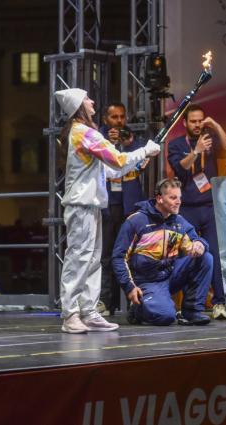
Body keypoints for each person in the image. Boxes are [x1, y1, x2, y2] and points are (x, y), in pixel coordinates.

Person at [55, 87, 160, 334]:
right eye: (87, 99)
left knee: (92, 260)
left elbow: (112, 170)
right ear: (79, 106)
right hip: (81, 205)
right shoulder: (84, 133)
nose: (92, 101)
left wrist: (139, 158)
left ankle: (89, 312)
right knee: (79, 259)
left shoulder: (82, 132)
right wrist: (144, 150)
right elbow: (118, 160)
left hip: (90, 205)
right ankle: (70, 314)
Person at [111, 178, 213, 326]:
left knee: (205, 258)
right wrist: (129, 287)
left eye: (179, 198)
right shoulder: (136, 221)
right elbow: (118, 258)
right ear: (159, 198)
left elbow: (196, 239)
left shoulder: (179, 221)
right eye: (173, 198)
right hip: (147, 282)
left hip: (170, 276)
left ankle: (192, 312)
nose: (178, 202)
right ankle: (137, 310)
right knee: (165, 317)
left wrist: (199, 244)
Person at [166, 104, 226, 320]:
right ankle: (187, 304)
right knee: (187, 255)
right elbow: (181, 168)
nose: (197, 124)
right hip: (187, 208)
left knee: (215, 254)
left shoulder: (210, 139)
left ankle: (219, 302)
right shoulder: (176, 144)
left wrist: (216, 125)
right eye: (193, 121)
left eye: (200, 120)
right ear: (185, 123)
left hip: (209, 206)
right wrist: (196, 151)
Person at [98, 102, 146, 316]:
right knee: (106, 255)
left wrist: (129, 144)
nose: (118, 121)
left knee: (132, 254)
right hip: (109, 204)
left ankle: (134, 302)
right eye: (114, 117)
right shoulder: (98, 138)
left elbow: (144, 158)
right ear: (105, 119)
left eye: (121, 117)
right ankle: (105, 301)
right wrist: (109, 142)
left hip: (129, 205)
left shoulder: (131, 138)